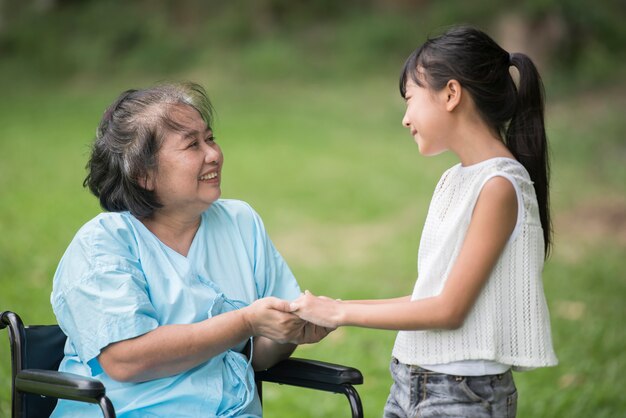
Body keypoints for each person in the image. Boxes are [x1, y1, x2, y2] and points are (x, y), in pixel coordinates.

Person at [290, 26, 558, 417]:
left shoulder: (499, 185)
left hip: (461, 396)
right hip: (412, 381)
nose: (405, 118)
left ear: (451, 94)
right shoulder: (455, 180)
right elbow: (428, 299)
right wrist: (338, 305)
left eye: (410, 99)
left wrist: (341, 314)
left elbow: (449, 310)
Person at [50, 82, 330, 417]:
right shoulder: (103, 244)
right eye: (191, 145)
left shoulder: (240, 223)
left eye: (210, 138)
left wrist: (291, 332)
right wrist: (245, 321)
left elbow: (255, 355)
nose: (213, 153)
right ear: (143, 174)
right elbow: (126, 360)